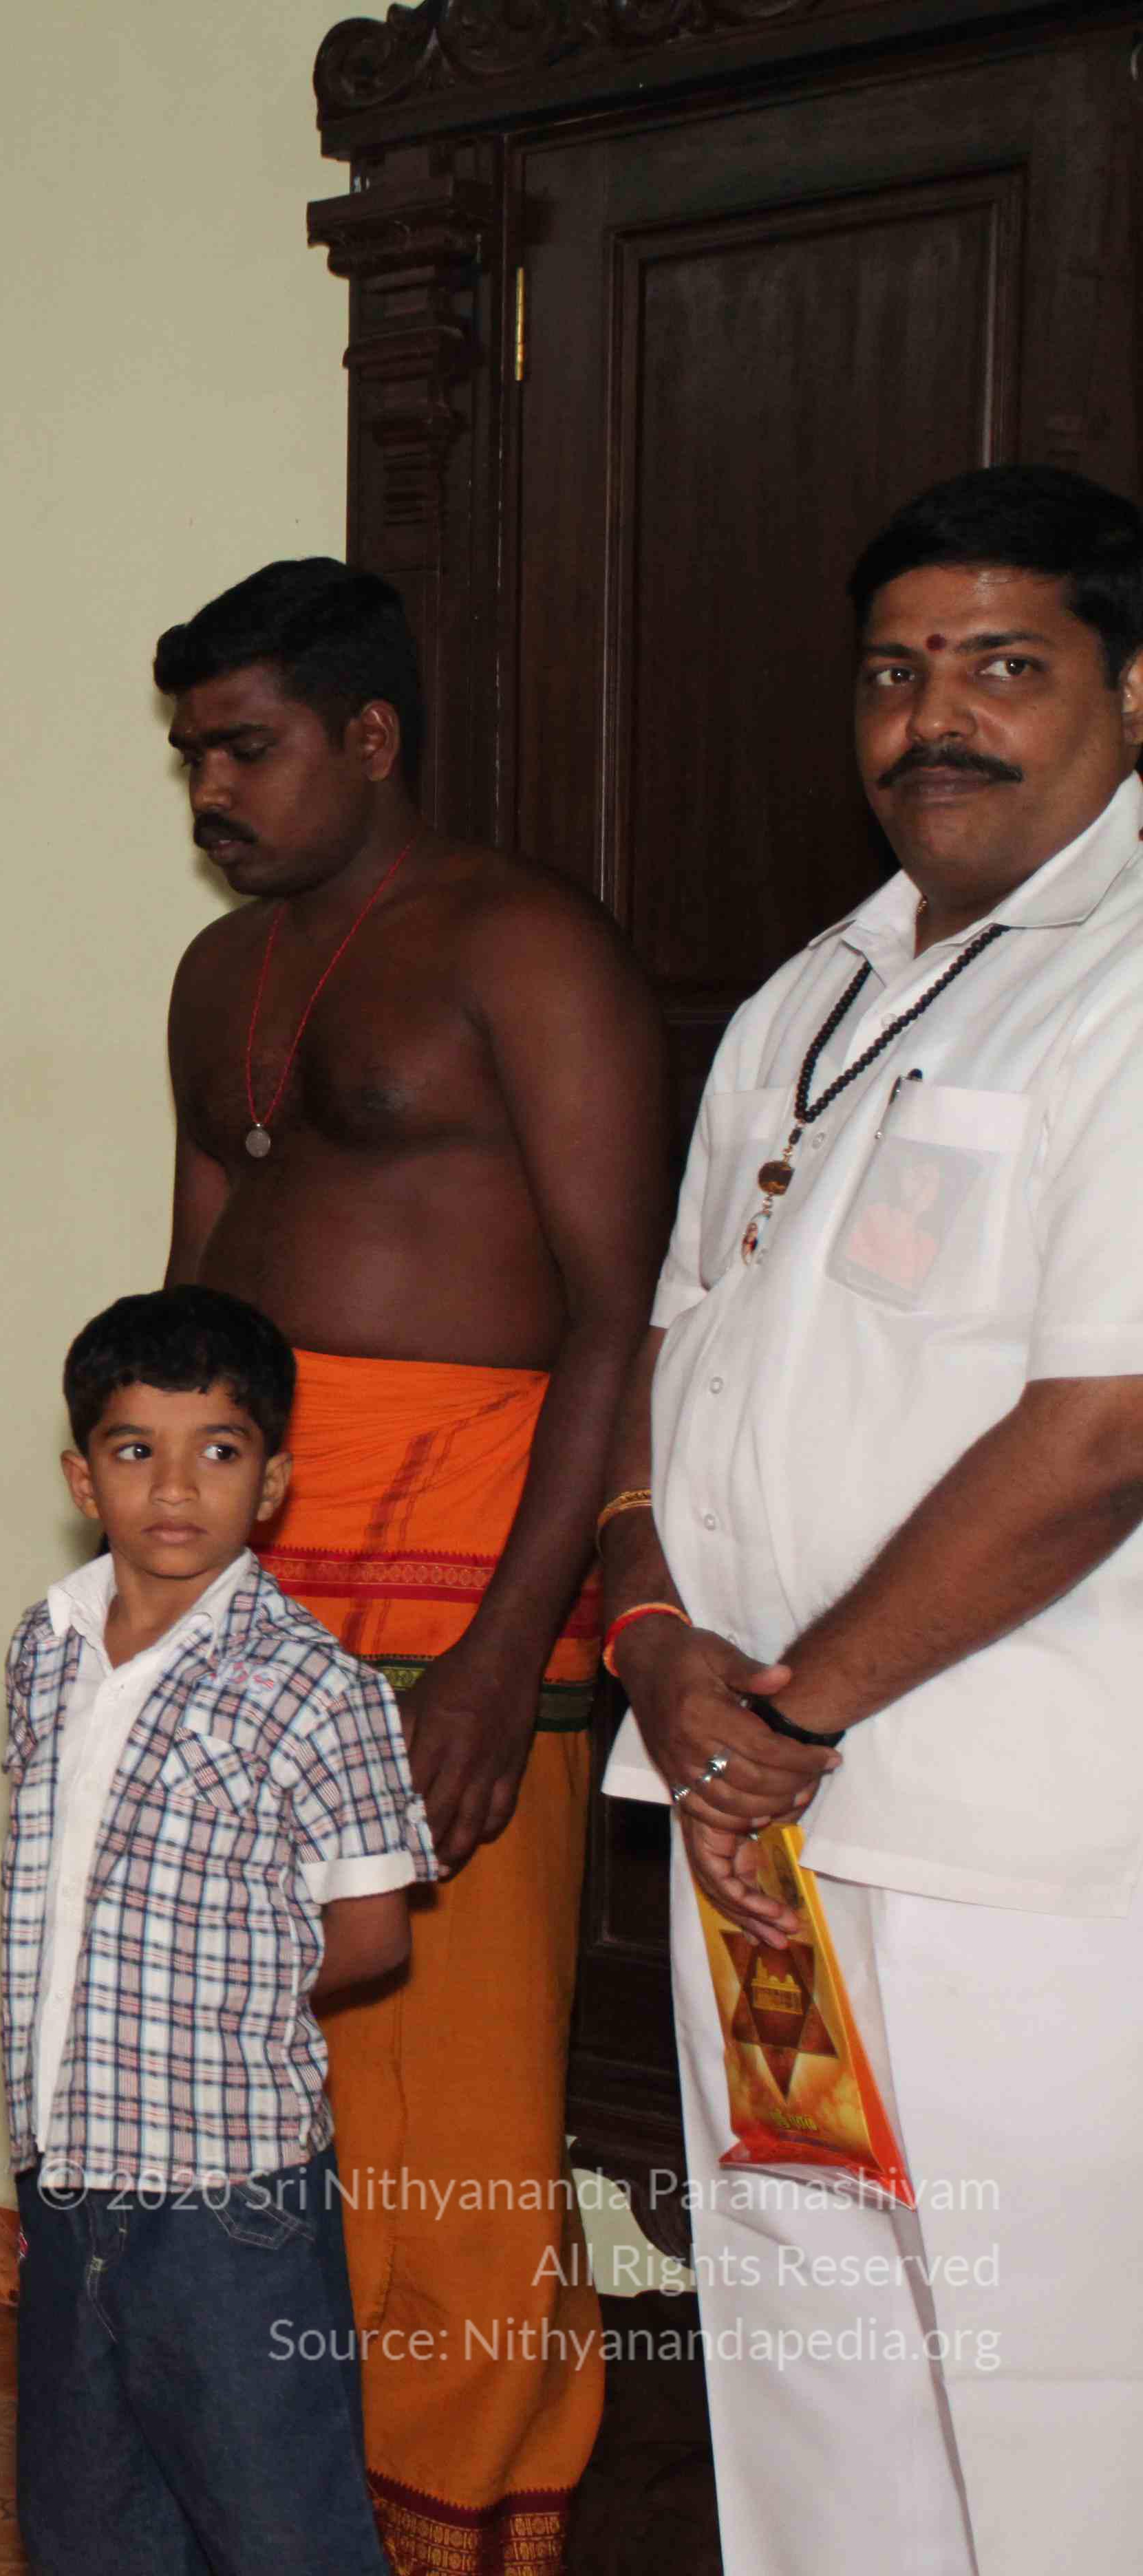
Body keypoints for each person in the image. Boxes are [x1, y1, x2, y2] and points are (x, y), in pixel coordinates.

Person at [598, 462, 1143, 2574]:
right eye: (897, 673)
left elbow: (1103, 1430)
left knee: (1050, 2378)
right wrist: (657, 1639)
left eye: (1006, 666)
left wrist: (790, 1710)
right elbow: (674, 1351)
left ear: (1129, 690)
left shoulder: (1119, 982)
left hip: (1010, 1848)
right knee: (812, 2350)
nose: (939, 717)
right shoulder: (808, 991)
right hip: (760, 1821)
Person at [155, 559, 667, 2572]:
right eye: (192, 756)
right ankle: (287, 2506)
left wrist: (505, 1654)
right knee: (266, 2083)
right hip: (259, 1582)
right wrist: (159, 1590)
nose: (213, 790)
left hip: (465, 1590)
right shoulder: (220, 975)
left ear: (372, 736)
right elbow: (192, 1296)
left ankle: (459, 2524)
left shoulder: (520, 943)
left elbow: (622, 1314)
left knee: (456, 2117)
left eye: (249, 748)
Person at [7, 1288, 432, 2576]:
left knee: (280, 2525)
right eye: (137, 1449)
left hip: (228, 2199)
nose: (176, 1487)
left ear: (275, 1481)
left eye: (221, 1450)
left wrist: (222, 2006)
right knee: (90, 2521)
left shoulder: (315, 1688)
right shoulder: (46, 1645)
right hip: (65, 2173)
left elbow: (373, 1937)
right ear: (84, 1477)